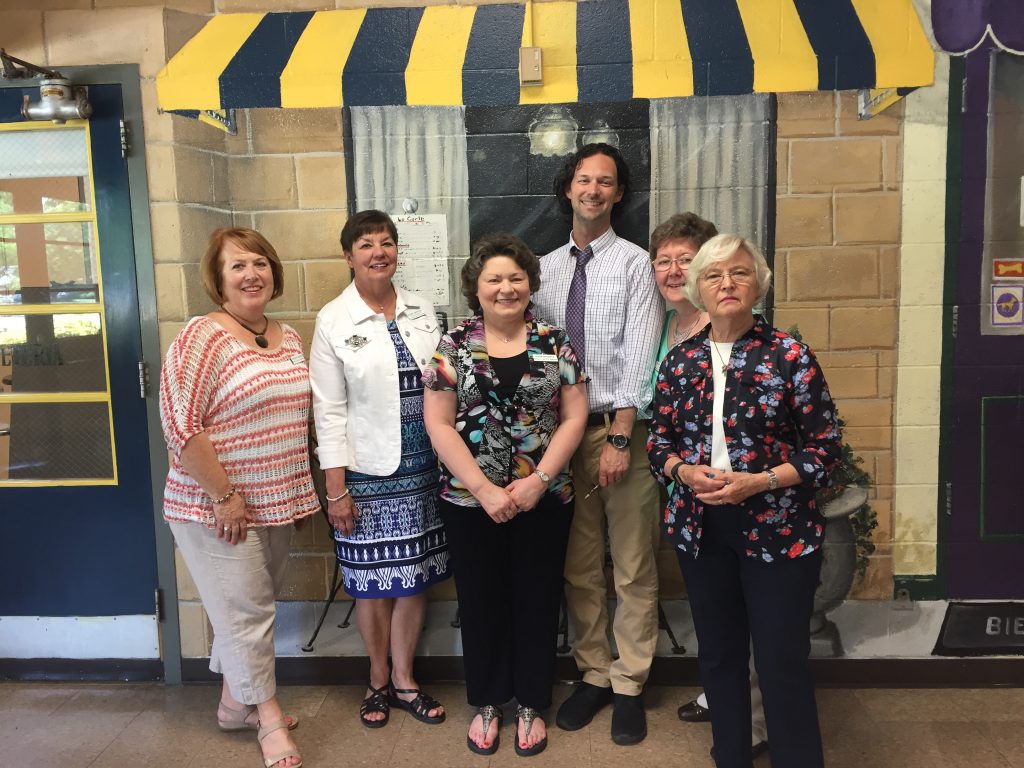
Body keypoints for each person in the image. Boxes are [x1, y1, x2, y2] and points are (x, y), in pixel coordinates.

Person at [648, 233, 842, 768]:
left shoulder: (790, 356)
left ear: (758, 284)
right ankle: (730, 755)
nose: (727, 283)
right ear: (697, 289)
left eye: (739, 272)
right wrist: (683, 471)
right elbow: (658, 443)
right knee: (719, 657)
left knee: (781, 660)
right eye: (713, 275)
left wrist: (761, 482)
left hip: (779, 527)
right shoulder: (680, 361)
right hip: (701, 528)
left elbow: (825, 449)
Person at [423, 234, 588, 757]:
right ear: (476, 287)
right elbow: (438, 422)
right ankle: (490, 701)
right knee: (481, 601)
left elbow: (575, 415)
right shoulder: (453, 344)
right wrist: (484, 489)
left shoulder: (556, 341)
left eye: (515, 278)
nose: (505, 288)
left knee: (538, 598)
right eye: (493, 278)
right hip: (470, 501)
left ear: (530, 285)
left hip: (544, 498)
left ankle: (532, 703)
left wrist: (539, 480)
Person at [159, 227, 319, 768]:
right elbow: (181, 425)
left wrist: (296, 495)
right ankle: (267, 718)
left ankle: (233, 704)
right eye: (237, 266)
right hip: (214, 506)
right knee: (249, 613)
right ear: (219, 279)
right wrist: (223, 495)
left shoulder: (288, 337)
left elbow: (293, 423)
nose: (252, 274)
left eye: (259, 263)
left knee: (247, 607)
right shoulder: (201, 336)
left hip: (275, 503)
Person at [532, 143, 663, 745]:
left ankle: (630, 681)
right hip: (561, 437)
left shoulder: (636, 264)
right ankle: (593, 673)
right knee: (579, 566)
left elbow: (639, 356)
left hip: (619, 431)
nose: (593, 190)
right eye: (583, 179)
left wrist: (619, 436)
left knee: (633, 564)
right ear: (568, 189)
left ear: (618, 194)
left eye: (605, 182)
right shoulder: (543, 269)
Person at [309, 210, 450, 729]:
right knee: (370, 581)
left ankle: (406, 681)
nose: (378, 252)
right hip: (365, 473)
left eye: (386, 242)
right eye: (366, 244)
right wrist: (336, 490)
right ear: (348, 256)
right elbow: (328, 410)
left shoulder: (422, 308)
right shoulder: (333, 319)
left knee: (412, 578)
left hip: (425, 467)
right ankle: (377, 680)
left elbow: (445, 379)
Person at [649, 214, 768, 758]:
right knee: (717, 614)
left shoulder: (735, 326)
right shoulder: (670, 330)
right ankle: (730, 709)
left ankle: (756, 720)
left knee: (752, 610)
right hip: (691, 492)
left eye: (685, 260)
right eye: (664, 261)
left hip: (751, 498)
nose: (675, 270)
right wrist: (679, 469)